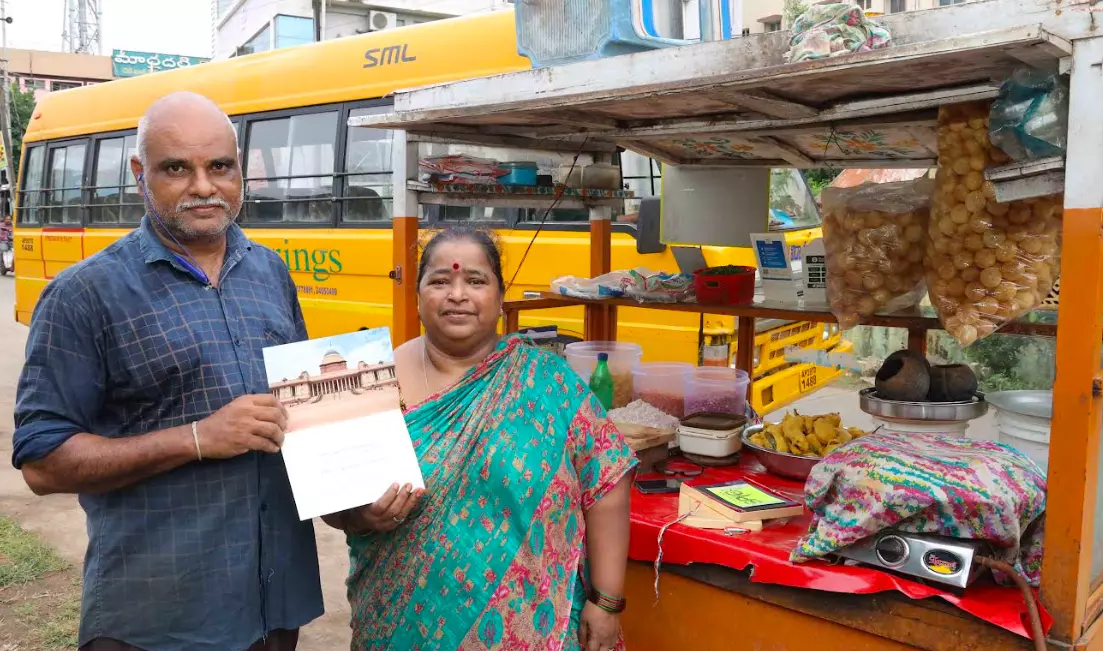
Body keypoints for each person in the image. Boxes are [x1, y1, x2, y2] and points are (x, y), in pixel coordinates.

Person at [11, 91, 324, 651]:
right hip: (160, 616)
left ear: (240, 169)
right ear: (140, 174)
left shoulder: (270, 272)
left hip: (275, 603)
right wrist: (198, 438)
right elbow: (42, 463)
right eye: (177, 168)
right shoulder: (85, 294)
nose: (203, 187)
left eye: (219, 167)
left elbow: (302, 409)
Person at [321, 227, 639, 651]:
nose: (457, 294)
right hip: (405, 627)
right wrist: (362, 517)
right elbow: (331, 501)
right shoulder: (365, 384)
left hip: (534, 628)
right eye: (439, 281)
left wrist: (606, 600)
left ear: (500, 296)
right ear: (416, 296)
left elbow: (608, 483)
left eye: (475, 280)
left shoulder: (548, 381)